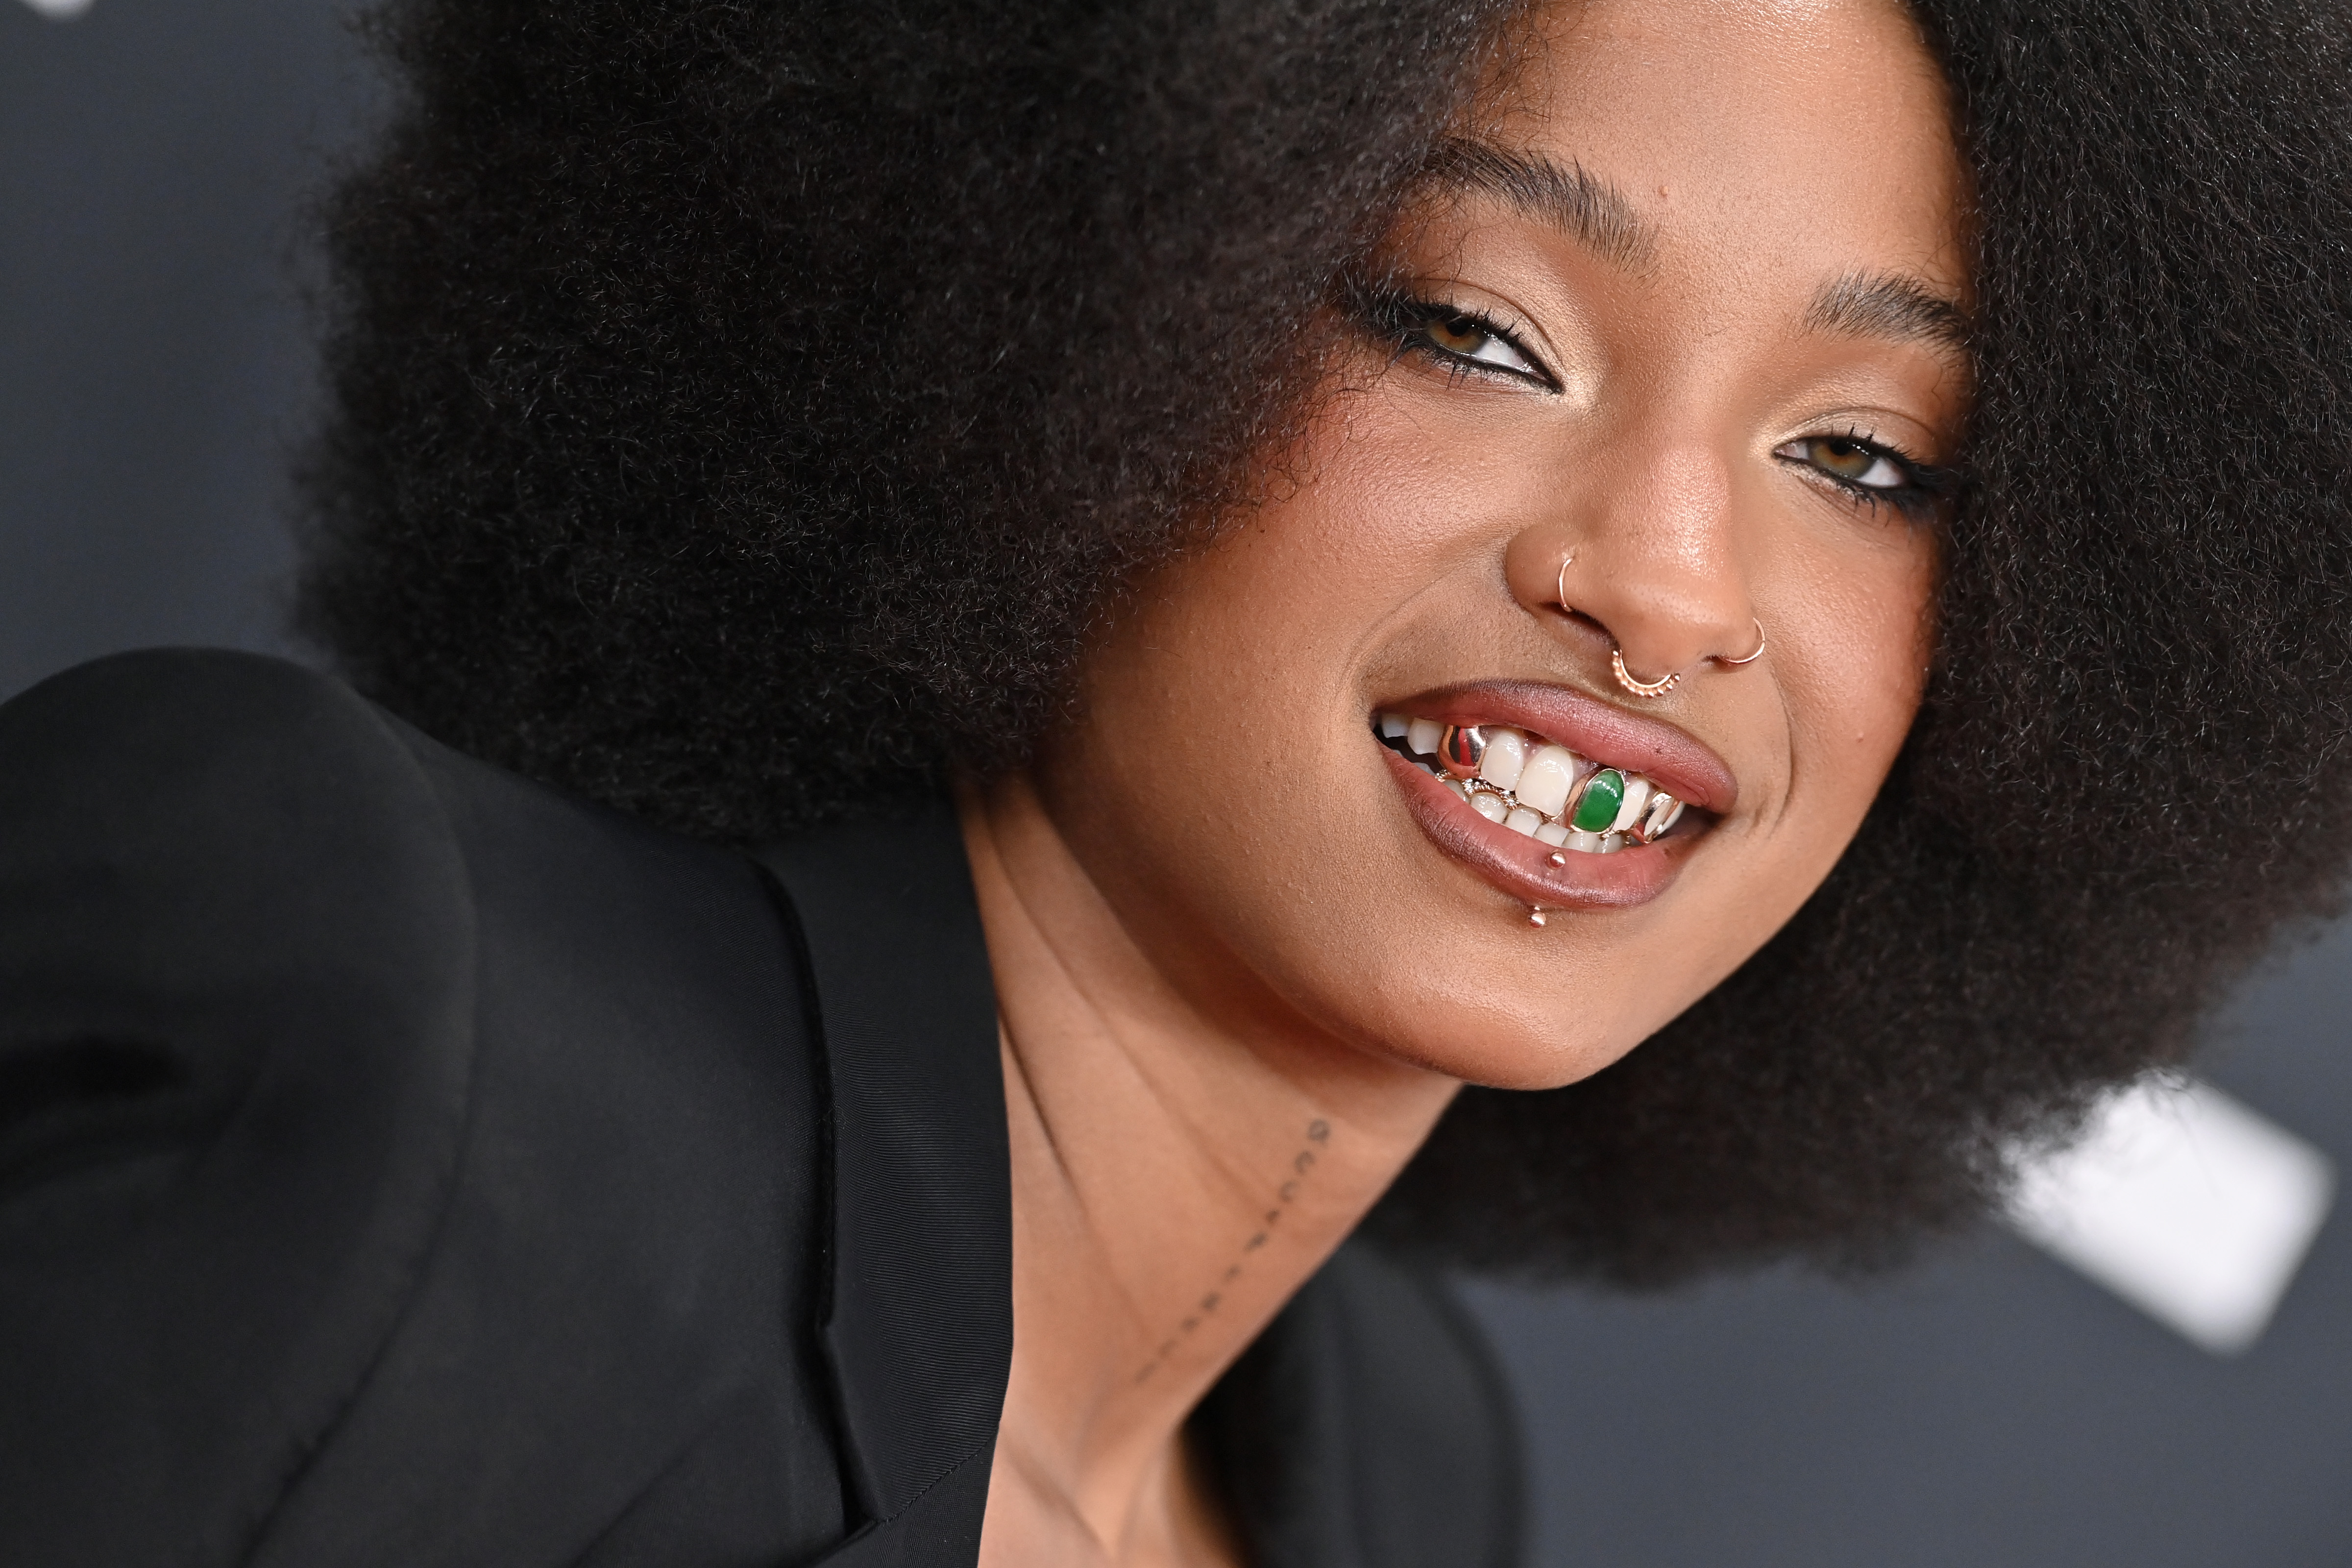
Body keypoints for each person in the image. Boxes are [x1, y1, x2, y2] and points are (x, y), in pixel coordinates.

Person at [6, 0, 2351, 1564]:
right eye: (1470, 328)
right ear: (1053, 295)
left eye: (1863, 455)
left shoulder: (1401, 1474)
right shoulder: (376, 1029)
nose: (1666, 581)